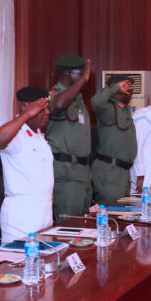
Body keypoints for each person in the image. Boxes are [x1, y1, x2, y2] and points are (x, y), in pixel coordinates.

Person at [0, 86, 53, 242]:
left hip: (45, 210)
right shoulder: (15, 134)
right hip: (22, 213)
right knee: (18, 263)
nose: (47, 113)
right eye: (42, 109)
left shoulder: (38, 133)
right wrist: (25, 115)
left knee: (44, 262)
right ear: (26, 107)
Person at [48, 54, 93, 221]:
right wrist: (83, 80)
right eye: (80, 73)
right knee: (68, 227)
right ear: (68, 74)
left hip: (82, 173)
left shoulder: (78, 99)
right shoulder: (55, 93)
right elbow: (58, 105)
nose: (85, 79)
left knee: (82, 226)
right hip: (66, 173)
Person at [91, 74, 137, 205]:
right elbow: (96, 101)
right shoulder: (108, 109)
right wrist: (115, 87)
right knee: (111, 215)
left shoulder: (123, 109)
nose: (130, 93)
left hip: (123, 172)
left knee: (121, 214)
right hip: (110, 172)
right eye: (127, 89)